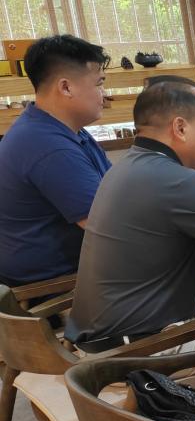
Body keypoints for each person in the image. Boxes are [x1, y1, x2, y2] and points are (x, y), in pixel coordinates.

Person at [67, 81, 195, 353]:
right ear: (180, 128)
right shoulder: (181, 182)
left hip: (100, 334)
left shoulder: (126, 166)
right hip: (136, 346)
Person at [0, 35, 110, 285]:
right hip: (53, 285)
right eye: (99, 84)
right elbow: (107, 226)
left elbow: (115, 189)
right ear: (66, 87)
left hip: (76, 269)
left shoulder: (63, 130)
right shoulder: (46, 145)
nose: (104, 94)